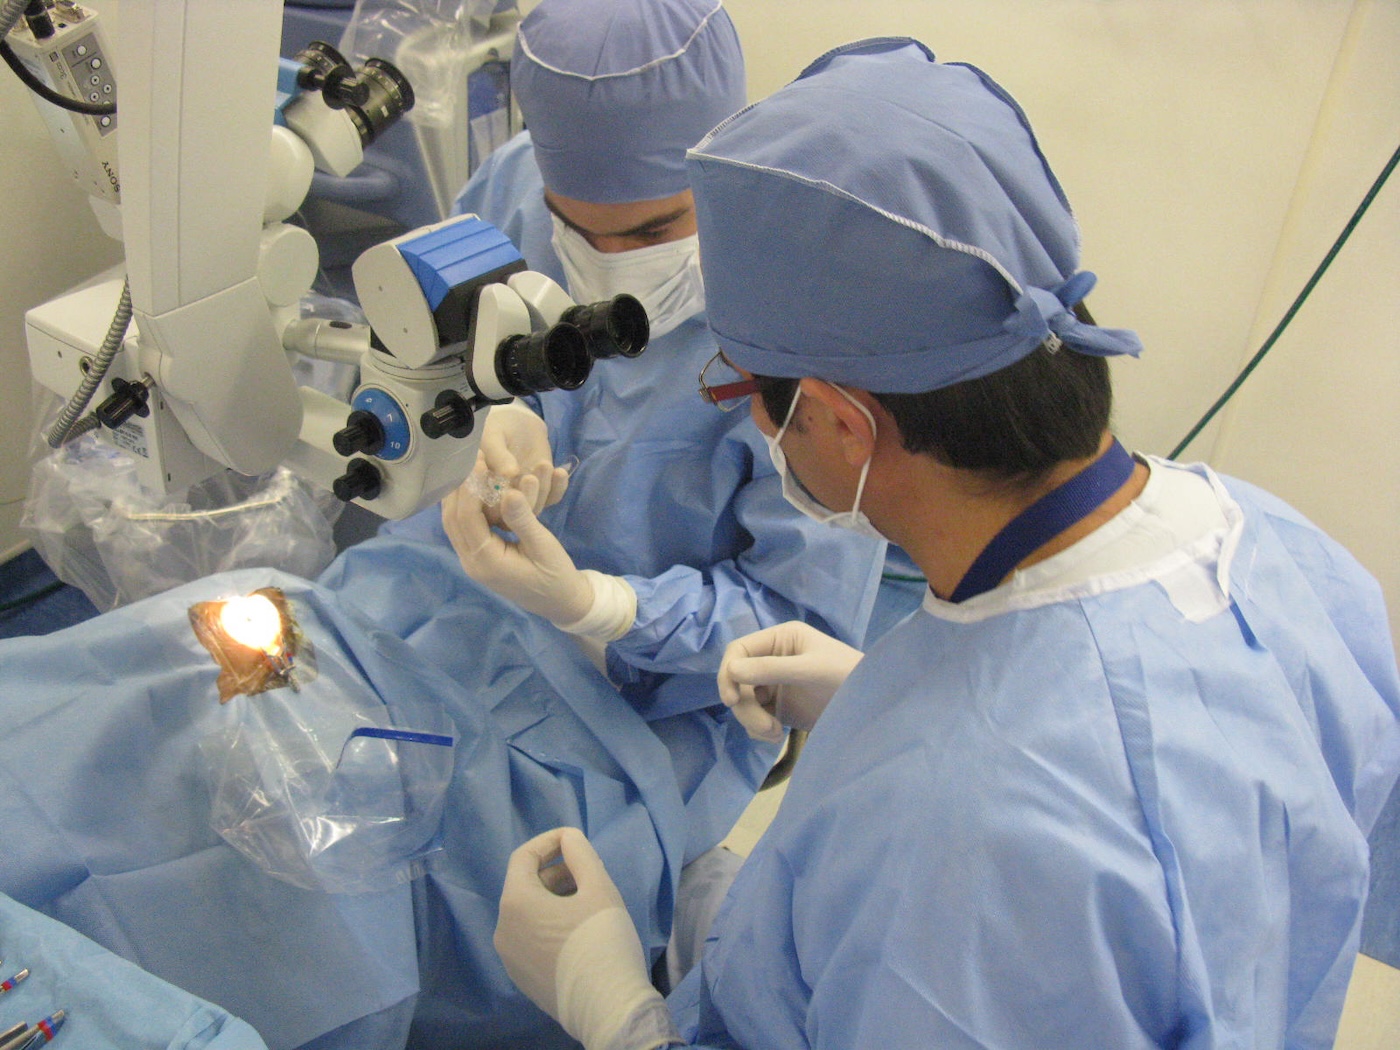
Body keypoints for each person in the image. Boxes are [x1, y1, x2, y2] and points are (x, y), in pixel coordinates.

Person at [487, 37, 1400, 1049]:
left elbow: (1002, 895)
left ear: (842, 424)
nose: (744, 420)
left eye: (737, 387)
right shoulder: (1283, 550)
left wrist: (617, 1012)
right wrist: (881, 705)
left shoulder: (964, 842)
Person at [341, 0, 884, 868]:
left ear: (722, 161)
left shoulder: (816, 321)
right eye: (573, 226)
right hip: (451, 597)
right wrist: (487, 415)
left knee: (468, 883)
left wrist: (599, 607)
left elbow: (801, 626)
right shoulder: (516, 182)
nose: (605, 260)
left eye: (653, 229)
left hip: (665, 700)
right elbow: (426, 347)